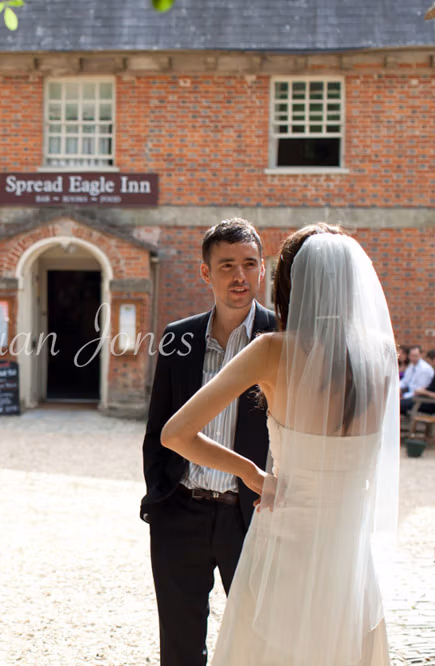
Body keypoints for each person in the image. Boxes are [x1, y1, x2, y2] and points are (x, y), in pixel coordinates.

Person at [162, 223, 399, 666]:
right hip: (347, 550)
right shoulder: (382, 354)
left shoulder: (272, 350)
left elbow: (175, 433)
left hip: (286, 540)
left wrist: (251, 474)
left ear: (288, 285)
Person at [140, 218, 276, 666]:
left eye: (250, 264)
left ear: (263, 269)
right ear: (206, 272)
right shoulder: (178, 338)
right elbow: (158, 429)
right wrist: (160, 498)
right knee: (179, 647)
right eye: (227, 265)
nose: (240, 276)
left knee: (258, 642)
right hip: (181, 511)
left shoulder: (282, 339)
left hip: (251, 517)